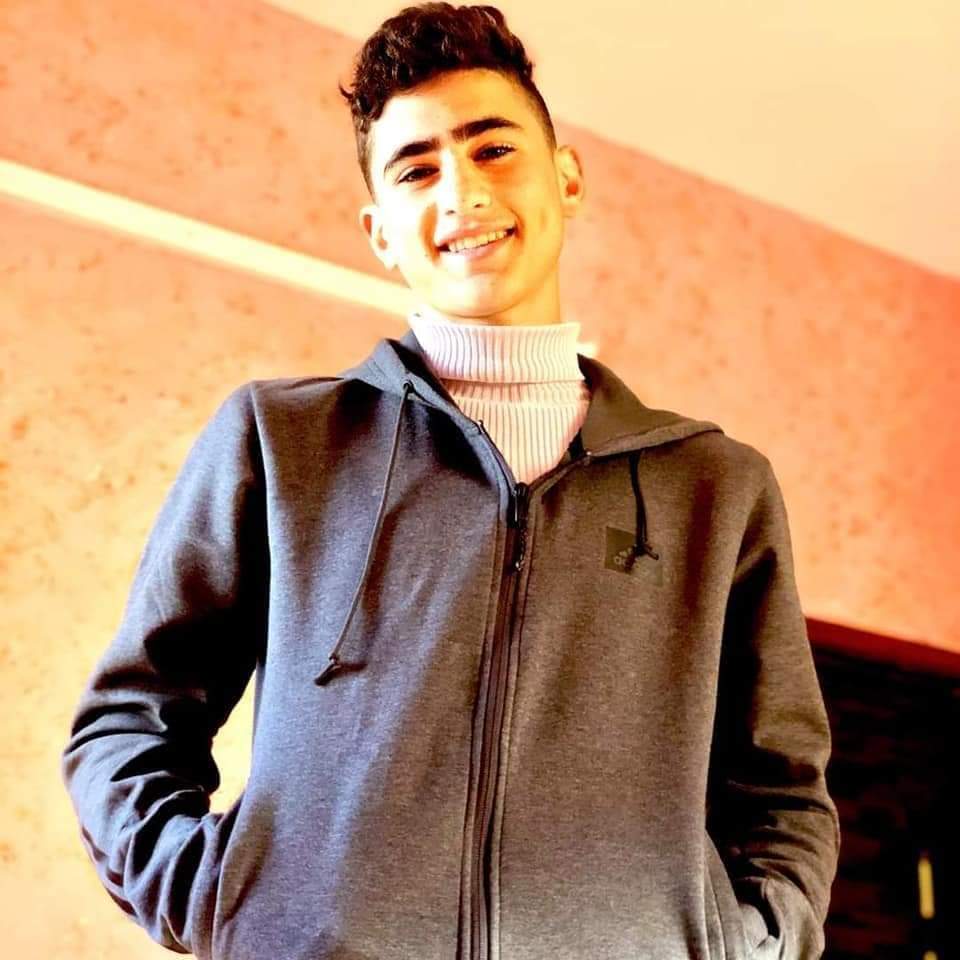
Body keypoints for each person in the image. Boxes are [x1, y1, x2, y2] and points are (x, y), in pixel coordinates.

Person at [60, 4, 840, 959]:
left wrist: (747, 947)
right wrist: (229, 905)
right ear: (379, 231)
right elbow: (128, 724)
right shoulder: (281, 442)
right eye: (416, 170)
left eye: (493, 149)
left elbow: (783, 792)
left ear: (567, 177)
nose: (463, 192)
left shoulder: (716, 488)